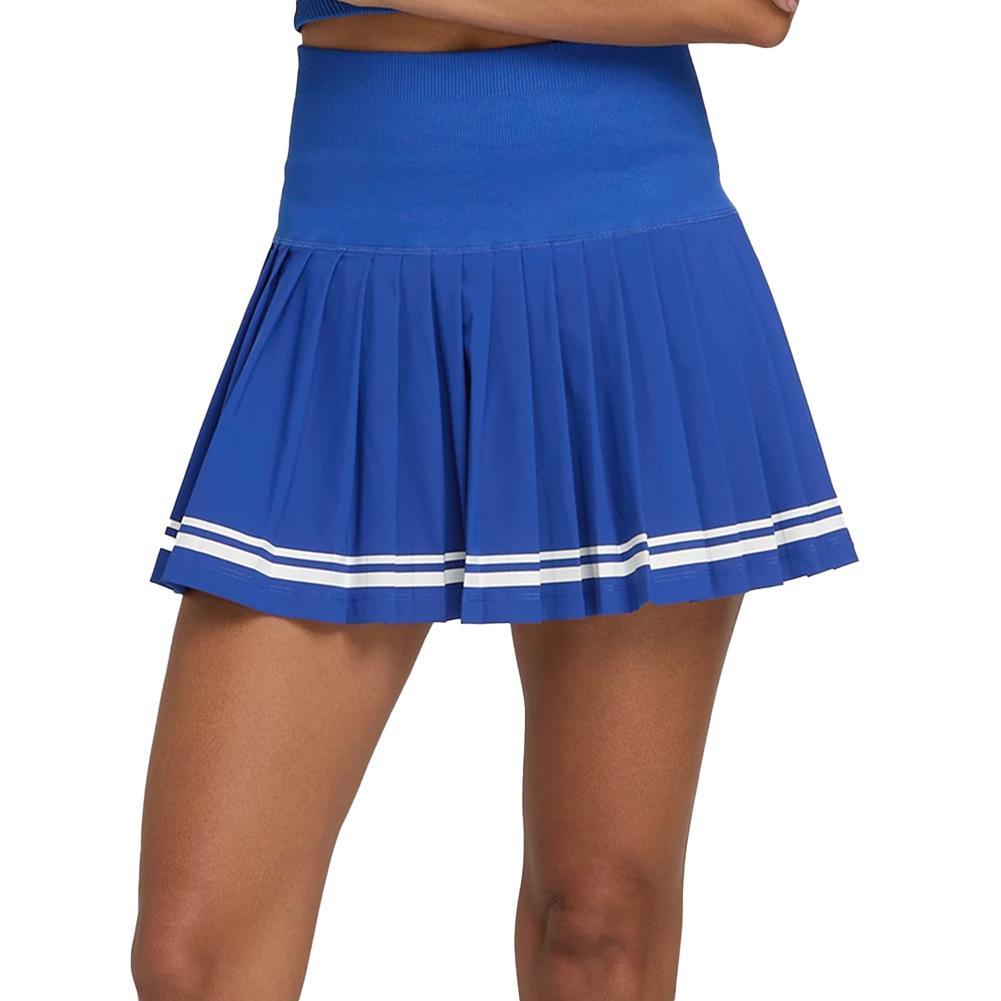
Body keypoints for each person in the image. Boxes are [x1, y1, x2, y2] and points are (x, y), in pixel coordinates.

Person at [134, 2, 855, 998]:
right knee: (194, 960)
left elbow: (752, 7)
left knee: (598, 918)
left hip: (624, 272)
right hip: (349, 279)